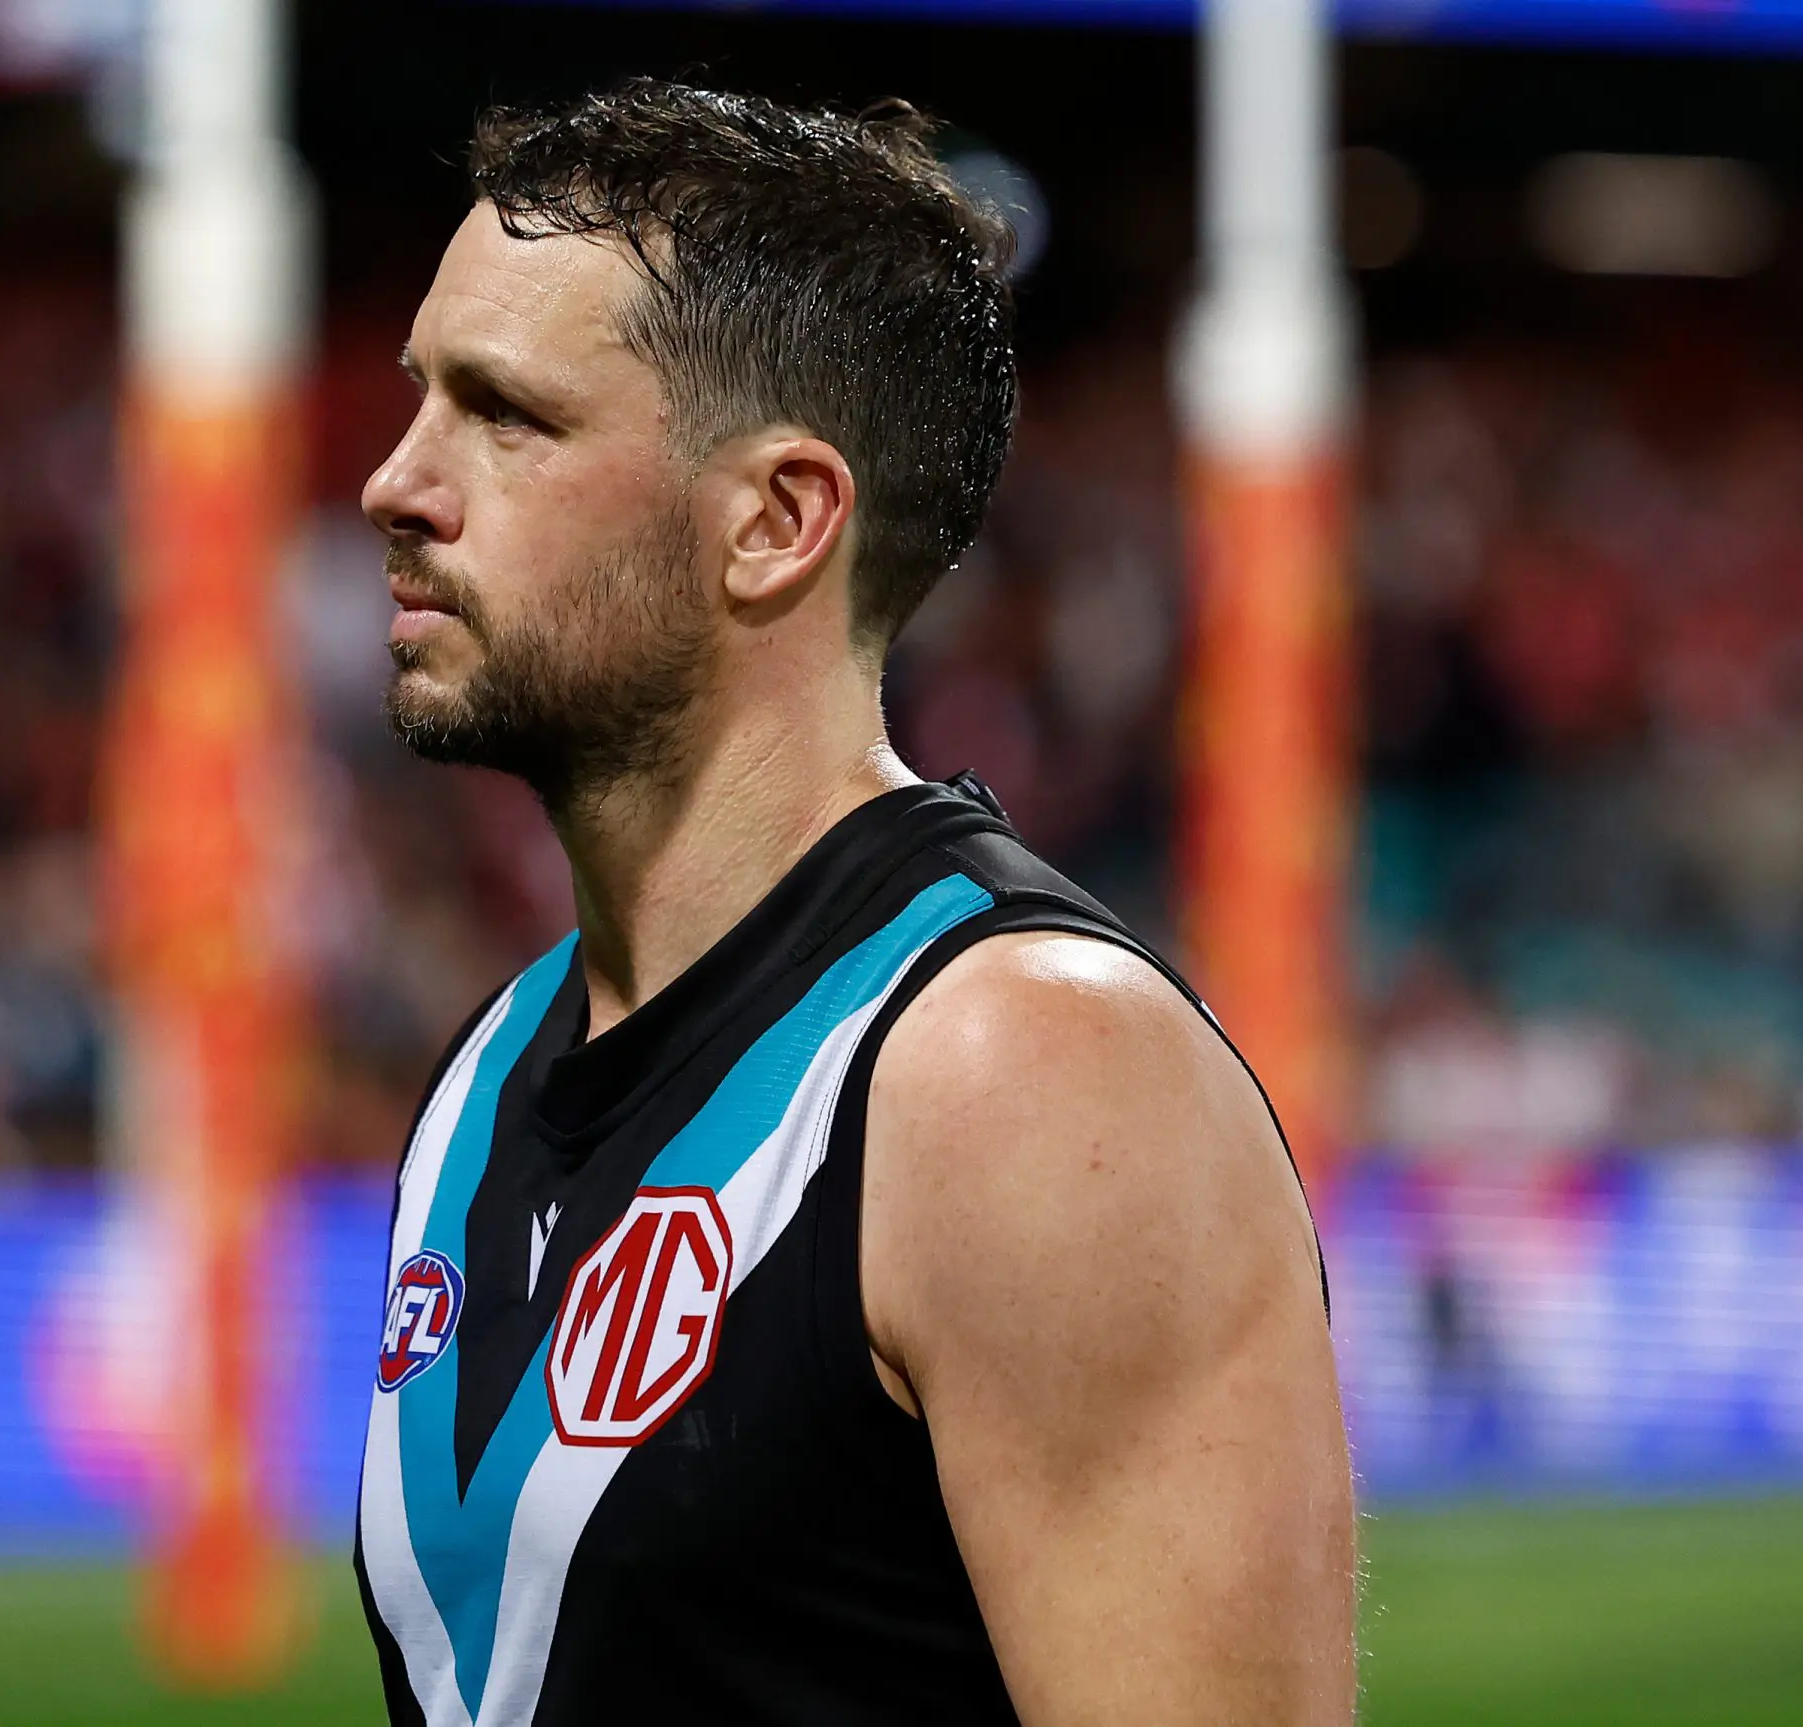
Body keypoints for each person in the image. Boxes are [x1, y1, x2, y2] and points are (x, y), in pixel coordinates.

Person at [354, 80, 1354, 1726]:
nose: (399, 483)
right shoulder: (489, 1069)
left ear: (777, 522)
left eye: (506, 417)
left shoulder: (1024, 1079)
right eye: (418, 401)